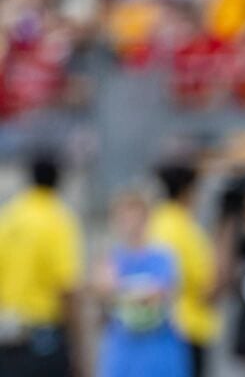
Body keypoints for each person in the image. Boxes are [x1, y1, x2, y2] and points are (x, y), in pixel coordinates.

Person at [0, 150, 84, 377]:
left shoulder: (8, 217)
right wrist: (78, 347)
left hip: (8, 337)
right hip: (44, 340)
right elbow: (66, 288)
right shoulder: (57, 219)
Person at [93, 191, 191, 377]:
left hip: (157, 351)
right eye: (124, 218)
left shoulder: (163, 257)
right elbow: (101, 290)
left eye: (134, 217)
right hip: (123, 353)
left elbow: (160, 293)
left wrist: (120, 290)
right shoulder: (111, 259)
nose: (130, 225)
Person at [147, 161, 218, 377]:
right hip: (189, 330)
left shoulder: (154, 222)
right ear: (188, 190)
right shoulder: (186, 229)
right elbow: (207, 286)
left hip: (159, 329)